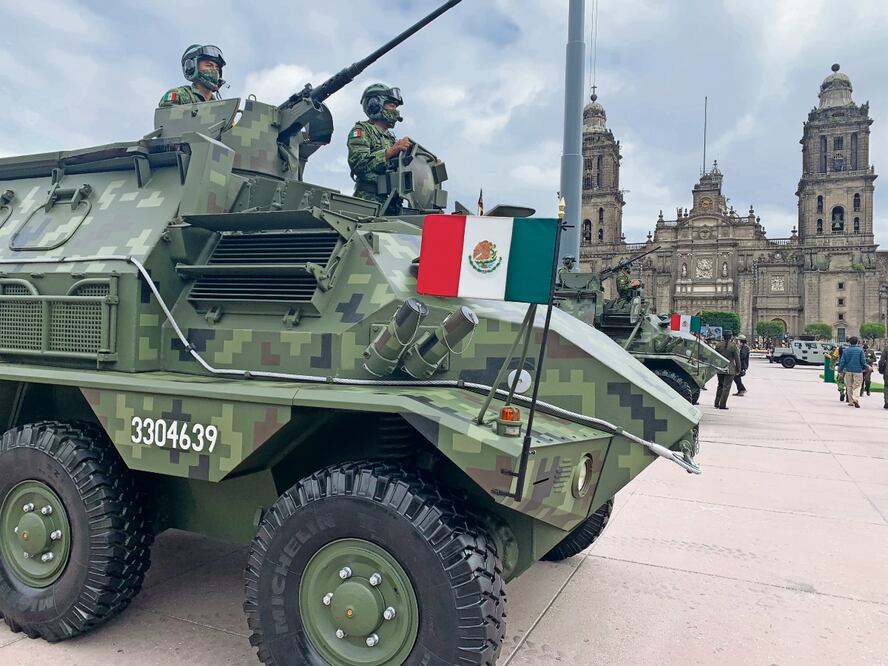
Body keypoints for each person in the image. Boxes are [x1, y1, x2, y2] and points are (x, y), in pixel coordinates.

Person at [347, 83, 411, 214]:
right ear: (374, 105)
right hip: (368, 204)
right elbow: (358, 164)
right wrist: (390, 152)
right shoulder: (361, 130)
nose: (396, 111)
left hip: (391, 205)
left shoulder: (391, 139)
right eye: (392, 106)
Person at [159, 44, 226, 108]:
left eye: (217, 68)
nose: (214, 70)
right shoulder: (179, 95)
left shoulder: (220, 106)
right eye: (208, 65)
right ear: (191, 67)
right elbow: (166, 118)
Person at [714, 330, 741, 410]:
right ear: (731, 336)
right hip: (730, 369)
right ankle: (722, 404)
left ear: (723, 336)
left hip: (720, 368)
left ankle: (716, 402)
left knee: (720, 385)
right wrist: (738, 369)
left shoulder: (718, 345)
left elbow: (715, 356)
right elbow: (737, 359)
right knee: (726, 387)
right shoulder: (733, 346)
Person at [837, 336, 867, 408]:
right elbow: (863, 361)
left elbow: (842, 362)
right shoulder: (860, 350)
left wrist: (840, 370)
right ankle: (856, 399)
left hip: (848, 370)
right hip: (858, 371)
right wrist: (864, 368)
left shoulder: (846, 351)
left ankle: (850, 401)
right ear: (857, 342)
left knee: (849, 386)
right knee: (857, 385)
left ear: (850, 342)